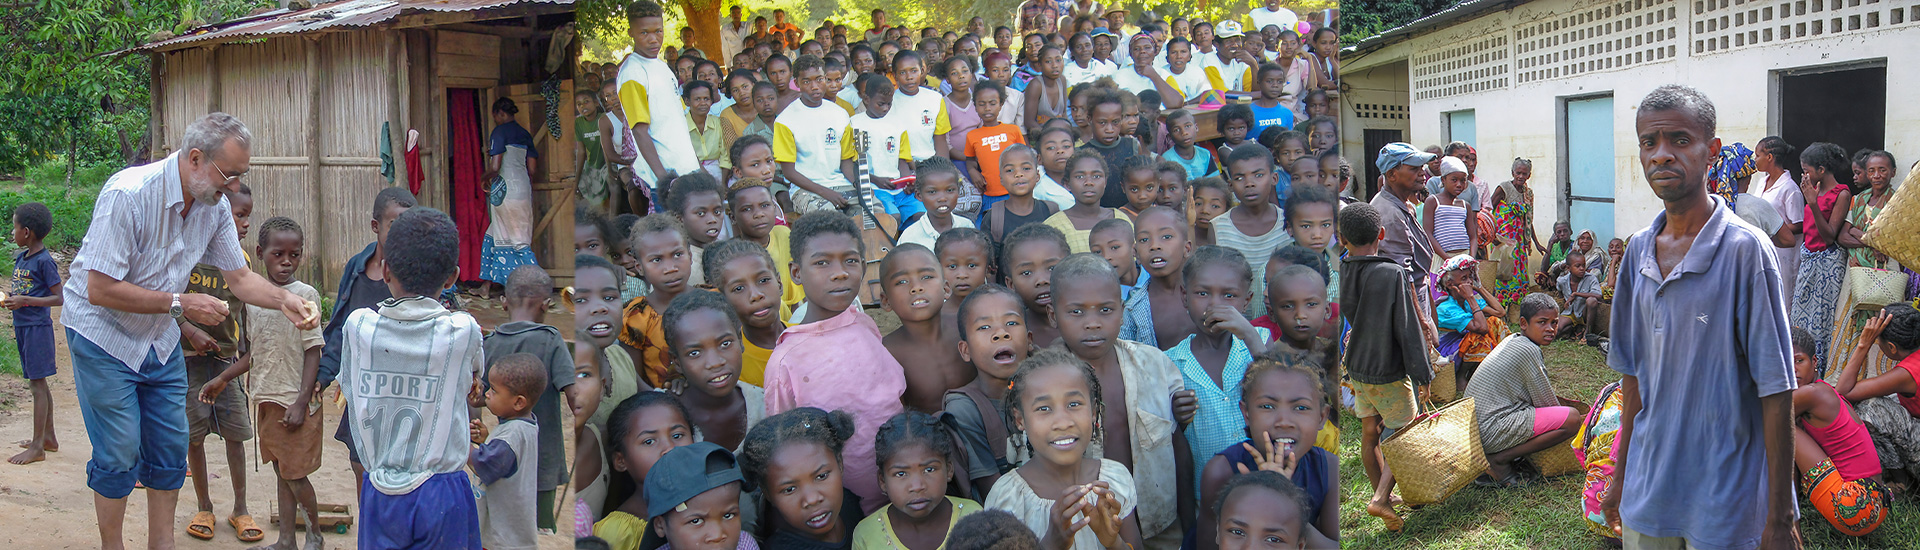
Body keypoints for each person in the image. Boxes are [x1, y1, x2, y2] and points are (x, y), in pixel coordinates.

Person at [62, 112, 318, 549]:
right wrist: (181, 303)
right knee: (120, 451)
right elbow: (100, 288)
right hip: (102, 335)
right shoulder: (128, 195)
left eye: (241, 176)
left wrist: (285, 299)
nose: (235, 187)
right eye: (230, 175)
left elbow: (238, 278)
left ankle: (161, 544)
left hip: (157, 340)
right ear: (195, 159)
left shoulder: (213, 208)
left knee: (169, 447)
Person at [1602, 85, 1799, 550]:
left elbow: (1777, 391)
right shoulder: (1636, 252)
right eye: (1649, 143)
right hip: (1651, 491)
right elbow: (1632, 380)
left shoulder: (1745, 252)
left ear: (1710, 151)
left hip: (1726, 499)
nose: (1662, 155)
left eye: (1679, 140)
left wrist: (1780, 516)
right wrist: (1620, 474)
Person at [341, 206, 483, 548]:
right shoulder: (462, 331)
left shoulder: (358, 327)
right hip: (441, 491)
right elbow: (474, 380)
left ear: (386, 271)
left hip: (378, 488)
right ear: (452, 278)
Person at [765, 213, 911, 512]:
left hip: (906, 481)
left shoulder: (864, 323)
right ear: (796, 272)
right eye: (822, 263)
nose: (840, 273)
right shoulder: (787, 361)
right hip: (847, 505)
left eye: (851, 260)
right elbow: (785, 446)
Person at [1047, 254, 1194, 547]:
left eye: (1105, 310)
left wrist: (1190, 524)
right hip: (1091, 532)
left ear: (1123, 311)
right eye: (1076, 312)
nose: (1092, 323)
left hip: (1160, 522)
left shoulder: (1153, 365)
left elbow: (1177, 447)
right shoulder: (1043, 382)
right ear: (1053, 315)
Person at [984, 348, 1144, 550]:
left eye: (1074, 404)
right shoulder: (1009, 498)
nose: (1062, 422)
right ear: (1020, 419)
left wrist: (1113, 542)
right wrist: (1051, 544)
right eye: (1044, 408)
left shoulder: (1114, 481)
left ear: (1093, 412)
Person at [175, 184, 259, 544]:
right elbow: (169, 303)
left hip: (226, 364)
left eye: (247, 217)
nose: (244, 224)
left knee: (235, 436)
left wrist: (240, 357)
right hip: (189, 361)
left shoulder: (241, 261)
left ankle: (240, 508)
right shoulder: (186, 257)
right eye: (239, 215)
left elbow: (243, 313)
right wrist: (190, 331)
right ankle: (204, 506)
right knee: (194, 437)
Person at [1340, 201, 1431, 532]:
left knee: (1370, 432)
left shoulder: (1345, 268)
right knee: (1404, 432)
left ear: (1341, 239)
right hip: (1387, 370)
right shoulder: (1391, 273)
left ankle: (1384, 495)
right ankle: (1380, 499)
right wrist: (1422, 374)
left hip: (1357, 367)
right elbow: (1407, 330)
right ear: (1381, 233)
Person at [238, 217, 327, 550]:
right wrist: (223, 378)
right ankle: (287, 539)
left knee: (294, 474)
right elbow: (254, 353)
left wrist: (302, 402)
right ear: (261, 253)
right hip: (266, 397)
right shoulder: (254, 298)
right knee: (281, 470)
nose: (287, 261)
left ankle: (314, 535)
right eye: (278, 254)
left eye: (295, 254)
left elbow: (313, 351)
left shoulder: (305, 295)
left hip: (294, 400)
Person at [1195, 354, 1340, 549]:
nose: (1284, 422)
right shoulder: (1221, 471)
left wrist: (1284, 495)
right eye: (1267, 406)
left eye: (1300, 407)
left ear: (1322, 417)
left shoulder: (1329, 469)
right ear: (1246, 414)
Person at [484, 265, 579, 533]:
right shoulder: (551, 341)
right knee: (540, 532)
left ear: (503, 303)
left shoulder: (490, 343)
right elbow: (573, 394)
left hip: (505, 455)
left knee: (506, 525)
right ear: (546, 305)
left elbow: (479, 397)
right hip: (543, 460)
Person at [1167, 245, 1271, 489]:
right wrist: (1178, 417)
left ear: (1247, 301)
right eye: (1202, 294)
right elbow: (1172, 437)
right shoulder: (1170, 362)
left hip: (1266, 484)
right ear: (1184, 296)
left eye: (1229, 296)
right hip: (1206, 493)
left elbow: (1278, 385)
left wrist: (1249, 334)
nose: (1214, 305)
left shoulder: (1261, 341)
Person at [1464, 293, 1590, 487]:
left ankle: (1504, 456)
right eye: (1542, 322)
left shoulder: (1512, 340)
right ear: (1523, 323)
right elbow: (1545, 403)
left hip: (1475, 430)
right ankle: (1499, 460)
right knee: (1571, 419)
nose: (1550, 329)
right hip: (1489, 432)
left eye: (1554, 323)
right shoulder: (1528, 350)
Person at [1788, 326, 1892, 537]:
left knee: (1780, 427)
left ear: (1814, 362)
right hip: (1876, 506)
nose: (1793, 369)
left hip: (1855, 505)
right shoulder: (1823, 390)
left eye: (1799, 361)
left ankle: (1791, 532)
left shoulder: (1811, 394)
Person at [569, 255, 644, 530]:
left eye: (610, 298)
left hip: (618, 490)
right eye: (581, 300)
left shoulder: (618, 354)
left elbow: (646, 397)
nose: (599, 308)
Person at [942, 284, 1033, 497]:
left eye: (1011, 323)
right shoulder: (964, 410)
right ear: (965, 350)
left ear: (1029, 340)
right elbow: (995, 494)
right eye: (984, 327)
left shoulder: (1052, 386)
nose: (1000, 334)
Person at [852, 412, 984, 548]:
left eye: (929, 470)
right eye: (901, 473)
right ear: (883, 481)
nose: (917, 486)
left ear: (949, 469)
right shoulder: (867, 536)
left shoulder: (973, 517)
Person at [738, 407, 866, 547]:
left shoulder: (849, 504)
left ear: (840, 464)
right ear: (767, 493)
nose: (812, 499)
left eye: (821, 476)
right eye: (789, 489)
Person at [621, 0, 704, 209]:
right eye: (644, 33)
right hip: (665, 178)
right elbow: (640, 132)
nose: (653, 39)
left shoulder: (661, 67)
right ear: (631, 32)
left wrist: (695, 164)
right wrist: (664, 180)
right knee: (673, 236)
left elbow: (674, 123)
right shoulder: (633, 72)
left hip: (685, 169)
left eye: (658, 31)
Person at [593, 392, 697, 549]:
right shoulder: (617, 532)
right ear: (621, 461)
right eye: (649, 441)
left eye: (677, 435)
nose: (668, 448)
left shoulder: (713, 502)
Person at [881, 243, 977, 414]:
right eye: (902, 281)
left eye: (926, 277)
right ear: (885, 300)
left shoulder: (968, 327)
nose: (916, 287)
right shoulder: (886, 352)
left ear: (946, 289)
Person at [470, 354, 547, 550]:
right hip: (513, 536)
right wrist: (487, 441)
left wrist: (459, 442)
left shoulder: (512, 434)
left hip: (502, 539)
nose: (487, 394)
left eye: (494, 391)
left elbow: (483, 465)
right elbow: (505, 462)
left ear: (518, 402)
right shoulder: (524, 425)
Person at [6, 202, 62, 466]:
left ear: (26, 231)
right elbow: (22, 291)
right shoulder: (23, 257)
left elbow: (58, 298)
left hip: (37, 328)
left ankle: (38, 446)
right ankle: (48, 437)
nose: (12, 232)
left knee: (37, 385)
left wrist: (26, 301)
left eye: (14, 227)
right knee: (38, 382)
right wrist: (12, 299)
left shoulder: (44, 261)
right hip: (22, 326)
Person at [1371, 142, 1441, 347]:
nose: (1422, 174)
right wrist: (1422, 324)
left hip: (1415, 297)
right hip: (1405, 305)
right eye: (1414, 169)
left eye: (1421, 168)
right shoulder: (1390, 214)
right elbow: (1403, 275)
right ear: (1392, 174)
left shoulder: (1404, 206)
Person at [1793, 141, 1853, 369]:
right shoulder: (1813, 191)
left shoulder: (1842, 193)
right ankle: (1798, 366)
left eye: (1807, 170)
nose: (1804, 176)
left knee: (1822, 319)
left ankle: (1820, 370)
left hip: (1829, 263)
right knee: (1799, 317)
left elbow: (1829, 236)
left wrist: (1813, 203)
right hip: (1809, 260)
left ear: (1821, 170)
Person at [1214, 144, 1290, 319]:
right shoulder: (1218, 227)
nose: (1249, 183)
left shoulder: (1289, 223)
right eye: (1240, 178)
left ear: (1274, 178)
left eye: (1258, 175)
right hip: (1234, 324)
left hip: (1281, 323)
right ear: (1230, 184)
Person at [702, 239, 790, 388]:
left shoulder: (808, 337)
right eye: (738, 289)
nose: (756, 295)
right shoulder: (729, 362)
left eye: (763, 280)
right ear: (724, 300)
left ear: (779, 284)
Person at [622, 215, 696, 388]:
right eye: (657, 260)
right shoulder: (635, 316)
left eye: (678, 254)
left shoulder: (714, 301)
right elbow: (634, 379)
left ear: (690, 255)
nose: (670, 268)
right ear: (639, 266)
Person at [482, 97, 541, 288]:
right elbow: (532, 170)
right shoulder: (525, 134)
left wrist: (483, 179)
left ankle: (540, 286)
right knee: (495, 234)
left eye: (495, 116)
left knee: (517, 240)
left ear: (500, 113)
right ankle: (488, 286)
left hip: (504, 190)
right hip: (523, 187)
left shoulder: (499, 132)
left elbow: (495, 166)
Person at [1434, 255, 1508, 388]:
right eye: (1464, 278)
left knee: (1494, 322)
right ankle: (1461, 377)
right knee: (1478, 337)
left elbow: (1500, 313)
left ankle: (1491, 368)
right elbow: (1481, 328)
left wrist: (1479, 288)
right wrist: (1470, 296)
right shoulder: (1447, 308)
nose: (1469, 282)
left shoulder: (1466, 302)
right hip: (1447, 353)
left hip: (1461, 346)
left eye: (1470, 277)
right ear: (1450, 284)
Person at [1002, 223, 1073, 349]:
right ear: (1011, 284)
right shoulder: (1010, 333)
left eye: (1052, 268)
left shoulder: (1089, 323)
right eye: (1027, 272)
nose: (1042, 280)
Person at [1751, 136, 1803, 293]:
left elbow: (1799, 223)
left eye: (1757, 155)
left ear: (1769, 157)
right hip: (1764, 249)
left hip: (1784, 254)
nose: (1755, 159)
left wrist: (1772, 230)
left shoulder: (1789, 188)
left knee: (1783, 295)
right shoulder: (1762, 182)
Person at [981, 144, 1062, 245]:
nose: (1018, 174)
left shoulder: (1051, 210)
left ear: (1037, 175)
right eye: (1010, 170)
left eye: (1026, 168)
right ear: (1001, 179)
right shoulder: (994, 218)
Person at [1045, 152, 1123, 254]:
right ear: (1067, 184)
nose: (1089, 182)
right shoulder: (1054, 227)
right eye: (1080, 177)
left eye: (1096, 176)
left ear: (1105, 182)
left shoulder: (1120, 219)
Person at [966, 81, 1026, 213]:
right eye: (982, 104)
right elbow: (970, 160)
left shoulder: (1013, 130)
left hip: (1016, 190)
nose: (987, 108)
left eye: (992, 104)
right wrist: (972, 172)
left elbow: (1025, 157)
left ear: (1001, 104)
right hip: (990, 193)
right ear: (975, 107)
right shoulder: (972, 136)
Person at [1423, 156, 1478, 259]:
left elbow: (1473, 237)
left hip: (1463, 257)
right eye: (1454, 180)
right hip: (1442, 257)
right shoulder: (1433, 201)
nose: (1459, 184)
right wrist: (1447, 259)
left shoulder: (1465, 205)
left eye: (1463, 181)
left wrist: (1471, 258)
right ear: (1443, 180)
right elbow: (1428, 233)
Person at [1555, 251, 1607, 343]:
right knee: (1557, 331)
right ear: (1568, 268)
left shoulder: (1591, 278)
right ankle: (1574, 329)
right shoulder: (1562, 281)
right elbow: (1560, 293)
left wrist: (1576, 294)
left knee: (1592, 300)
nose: (1582, 268)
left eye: (1583, 265)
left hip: (1584, 313)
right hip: (1570, 312)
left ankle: (1587, 332)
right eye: (1578, 266)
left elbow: (1598, 295)